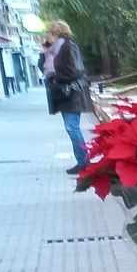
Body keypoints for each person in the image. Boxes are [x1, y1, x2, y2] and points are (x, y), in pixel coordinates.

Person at [43, 20, 92, 174]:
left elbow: (75, 71)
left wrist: (57, 78)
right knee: (71, 127)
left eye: (49, 33)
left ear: (56, 33)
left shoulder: (69, 47)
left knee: (72, 127)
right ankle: (82, 161)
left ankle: (84, 162)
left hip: (72, 93)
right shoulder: (53, 50)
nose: (47, 36)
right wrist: (43, 52)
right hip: (64, 94)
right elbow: (43, 68)